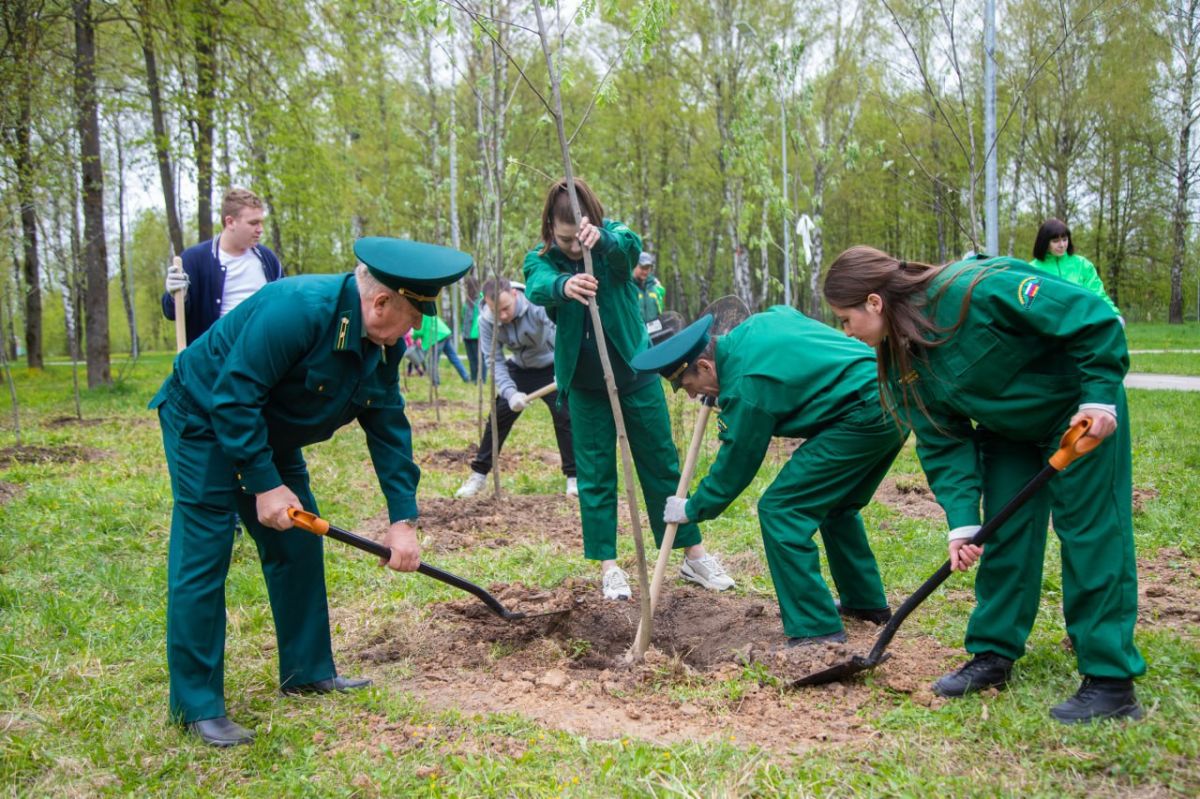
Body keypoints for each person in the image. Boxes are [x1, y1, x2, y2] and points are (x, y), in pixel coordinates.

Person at [149, 237, 471, 747]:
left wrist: (403, 520)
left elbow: (388, 425)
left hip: (270, 430)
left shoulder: (381, 342)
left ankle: (307, 671)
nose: (413, 332)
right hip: (204, 418)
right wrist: (263, 485)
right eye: (412, 318)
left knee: (298, 540)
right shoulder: (296, 310)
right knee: (205, 551)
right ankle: (197, 704)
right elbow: (233, 398)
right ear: (380, 303)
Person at [823, 245, 1144, 724]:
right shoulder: (897, 362)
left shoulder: (974, 289)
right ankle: (994, 654)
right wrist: (961, 524)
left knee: (1090, 533)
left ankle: (1110, 680)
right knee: (1005, 532)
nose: (845, 331)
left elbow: (1091, 316)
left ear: (873, 302)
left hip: (1076, 410)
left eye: (845, 319)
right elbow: (941, 440)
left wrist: (1099, 397)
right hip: (1009, 431)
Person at [632, 308, 905, 645]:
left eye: (688, 385)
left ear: (705, 366)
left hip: (861, 415)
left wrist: (693, 508)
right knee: (836, 506)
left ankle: (815, 630)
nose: (691, 395)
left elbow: (738, 462)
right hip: (893, 398)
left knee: (782, 509)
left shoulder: (746, 386)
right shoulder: (760, 323)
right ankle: (865, 603)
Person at [523, 177, 734, 600]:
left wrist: (599, 242)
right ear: (550, 228)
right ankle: (609, 567)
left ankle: (693, 555)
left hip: (635, 376)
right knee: (596, 474)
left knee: (661, 465)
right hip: (584, 387)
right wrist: (563, 286)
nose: (570, 247)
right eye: (562, 238)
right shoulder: (543, 259)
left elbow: (628, 250)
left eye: (575, 238)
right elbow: (536, 285)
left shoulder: (612, 240)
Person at [455, 277, 577, 499]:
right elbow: (494, 360)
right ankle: (478, 475)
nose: (502, 315)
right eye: (496, 310)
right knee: (498, 415)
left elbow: (562, 334)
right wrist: (510, 394)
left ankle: (574, 477)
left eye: (505, 308)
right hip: (520, 368)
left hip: (552, 365)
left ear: (514, 295)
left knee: (564, 415)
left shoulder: (537, 303)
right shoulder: (486, 320)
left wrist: (565, 370)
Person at [163, 187, 284, 345]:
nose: (260, 229)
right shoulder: (195, 259)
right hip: (215, 359)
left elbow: (282, 306)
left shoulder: (267, 259)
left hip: (261, 354)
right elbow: (172, 313)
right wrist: (175, 296)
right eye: (253, 223)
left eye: (261, 222)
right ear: (230, 222)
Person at [1030, 218, 1123, 324]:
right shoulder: (1032, 269)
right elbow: (1028, 302)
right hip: (1047, 326)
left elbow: (1098, 294)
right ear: (1044, 242)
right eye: (1055, 241)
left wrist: (1114, 314)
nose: (1062, 245)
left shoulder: (1083, 265)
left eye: (1064, 239)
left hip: (1079, 324)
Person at [411, 311, 470, 385]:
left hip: (436, 337)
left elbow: (418, 331)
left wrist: (413, 337)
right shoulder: (427, 310)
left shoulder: (418, 315)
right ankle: (466, 377)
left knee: (432, 361)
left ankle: (435, 382)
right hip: (444, 333)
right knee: (454, 358)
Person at [633, 251, 668, 342]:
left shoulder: (655, 287)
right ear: (635, 265)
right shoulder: (629, 287)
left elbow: (660, 309)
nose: (645, 271)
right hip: (637, 336)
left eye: (648, 268)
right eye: (642, 267)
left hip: (656, 333)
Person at [461, 277, 487, 383]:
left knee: (480, 359)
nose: (466, 288)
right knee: (472, 359)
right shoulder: (467, 301)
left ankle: (482, 379)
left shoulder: (481, 299)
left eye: (467, 286)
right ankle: (473, 378)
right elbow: (463, 317)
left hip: (478, 334)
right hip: (467, 335)